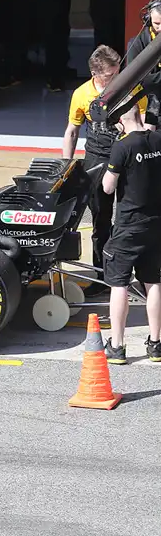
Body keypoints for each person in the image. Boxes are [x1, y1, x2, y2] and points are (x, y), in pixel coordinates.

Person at [62, 45, 149, 296]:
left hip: (129, 158)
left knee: (133, 220)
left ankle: (142, 276)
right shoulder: (82, 94)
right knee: (100, 222)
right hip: (97, 160)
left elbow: (145, 125)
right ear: (95, 73)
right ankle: (101, 276)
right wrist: (66, 166)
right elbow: (72, 131)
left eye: (118, 72)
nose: (117, 79)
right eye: (112, 75)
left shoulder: (130, 89)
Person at [100, 105, 161, 365]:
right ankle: (156, 344)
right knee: (154, 282)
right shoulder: (158, 139)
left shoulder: (122, 146)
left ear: (121, 122)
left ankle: (117, 345)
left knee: (119, 283)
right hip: (156, 222)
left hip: (129, 225)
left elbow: (107, 187)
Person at [126, 0, 161, 127]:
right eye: (157, 23)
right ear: (148, 20)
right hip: (149, 102)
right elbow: (136, 79)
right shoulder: (136, 44)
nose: (160, 28)